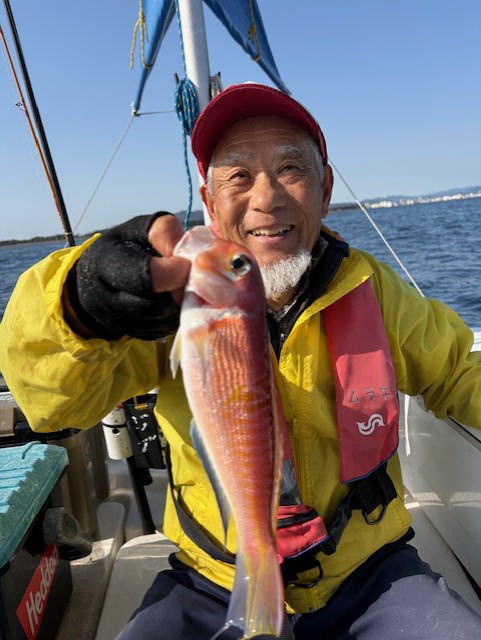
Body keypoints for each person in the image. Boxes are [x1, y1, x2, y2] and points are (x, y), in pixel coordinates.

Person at [1, 83, 480, 640]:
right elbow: (52, 406)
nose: (267, 198)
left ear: (325, 189)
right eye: (238, 175)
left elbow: (457, 372)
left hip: (371, 573)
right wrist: (79, 306)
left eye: (291, 169)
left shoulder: (375, 289)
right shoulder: (171, 302)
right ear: (209, 201)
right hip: (210, 579)